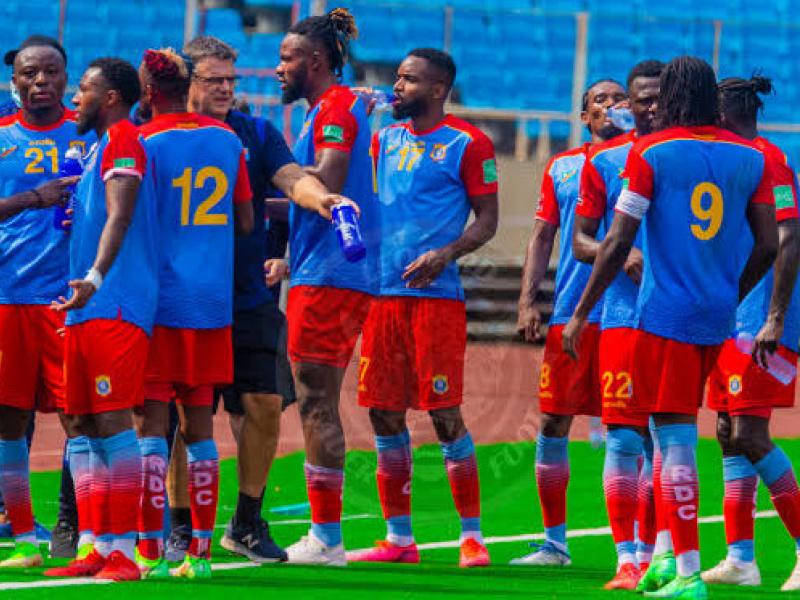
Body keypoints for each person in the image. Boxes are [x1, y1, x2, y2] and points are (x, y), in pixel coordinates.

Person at [562, 56, 782, 599]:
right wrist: (730, 290)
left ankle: (686, 574)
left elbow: (616, 242)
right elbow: (769, 244)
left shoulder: (652, 153)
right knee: (670, 435)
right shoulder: (748, 158)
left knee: (674, 437)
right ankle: (664, 557)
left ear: (674, 97)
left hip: (662, 316)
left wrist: (583, 311)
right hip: (718, 315)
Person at [182, 34, 352, 563]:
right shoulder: (161, 132)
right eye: (214, 81)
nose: (227, 90)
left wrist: (320, 197)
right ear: (188, 82)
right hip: (184, 297)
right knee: (181, 416)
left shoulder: (256, 133)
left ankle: (247, 521)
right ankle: (177, 524)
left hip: (248, 296)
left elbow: (291, 177)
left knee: (263, 405)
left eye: (232, 81)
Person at [348, 48, 497, 568]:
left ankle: (472, 537)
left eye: (408, 80)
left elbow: (487, 220)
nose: (397, 87)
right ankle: (399, 539)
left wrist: (447, 253)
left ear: (438, 90)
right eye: (397, 78)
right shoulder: (382, 140)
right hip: (382, 295)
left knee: (444, 412)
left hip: (435, 300)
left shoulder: (468, 144)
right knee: (384, 413)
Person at [133, 47, 253, 580]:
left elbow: (126, 220)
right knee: (201, 430)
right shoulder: (229, 141)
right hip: (211, 305)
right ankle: (200, 556)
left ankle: (150, 551)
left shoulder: (143, 142)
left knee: (151, 429)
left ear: (149, 92)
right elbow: (246, 220)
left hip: (156, 304)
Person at [43, 57, 154, 581]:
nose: (74, 100)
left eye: (83, 90)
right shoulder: (96, 149)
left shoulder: (124, 139)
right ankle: (93, 543)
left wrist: (94, 277)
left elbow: (121, 215)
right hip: (87, 306)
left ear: (110, 97)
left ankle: (124, 551)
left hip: (114, 301)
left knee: (111, 422)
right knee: (82, 425)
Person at [276, 8, 378, 565]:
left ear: (315, 62)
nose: (277, 70)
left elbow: (329, 178)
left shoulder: (336, 107)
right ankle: (326, 533)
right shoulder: (336, 106)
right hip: (327, 269)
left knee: (316, 399)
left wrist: (274, 178)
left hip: (332, 273)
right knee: (315, 398)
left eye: (286, 59)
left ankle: (327, 538)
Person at [512, 78, 626, 566]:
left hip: (627, 315)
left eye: (617, 98)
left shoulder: (645, 159)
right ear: (584, 117)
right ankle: (554, 542)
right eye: (599, 100)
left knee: (631, 428)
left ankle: (638, 549)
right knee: (554, 422)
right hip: (570, 313)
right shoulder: (563, 167)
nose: (609, 105)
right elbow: (541, 238)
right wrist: (526, 301)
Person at [702, 75, 800, 592]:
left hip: (760, 321)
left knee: (749, 433)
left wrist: (776, 317)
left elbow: (789, 239)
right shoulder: (732, 160)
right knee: (726, 431)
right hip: (729, 317)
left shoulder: (769, 159)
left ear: (729, 108)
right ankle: (741, 558)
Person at [571, 59, 663, 589]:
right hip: (623, 317)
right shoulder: (603, 162)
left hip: (676, 320)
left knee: (666, 438)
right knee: (626, 440)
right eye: (636, 99)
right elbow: (582, 238)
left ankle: (660, 554)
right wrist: (616, 251)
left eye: (655, 98)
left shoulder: (683, 158)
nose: (643, 108)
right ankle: (627, 558)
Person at [0, 34, 91, 568]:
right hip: (8, 296)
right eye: (30, 73)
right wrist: (33, 199)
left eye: (50, 72)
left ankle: (78, 530)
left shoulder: (86, 134)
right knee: (8, 421)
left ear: (66, 75)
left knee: (79, 417)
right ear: (15, 80)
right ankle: (24, 541)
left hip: (68, 299)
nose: (40, 82)